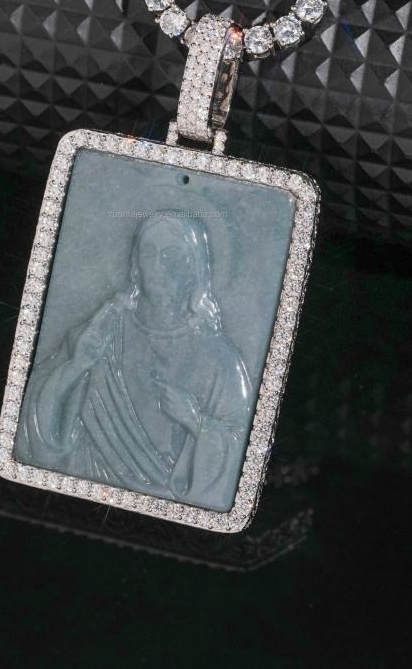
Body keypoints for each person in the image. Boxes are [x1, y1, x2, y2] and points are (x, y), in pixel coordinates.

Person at [15, 210, 252, 512]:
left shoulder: (218, 358)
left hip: (166, 513)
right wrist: (77, 365)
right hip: (77, 497)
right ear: (136, 265)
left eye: (171, 255)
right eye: (148, 253)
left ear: (194, 269)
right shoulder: (105, 330)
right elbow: (33, 411)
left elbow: (239, 445)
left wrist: (196, 422)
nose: (157, 267)